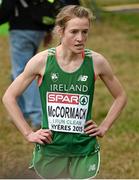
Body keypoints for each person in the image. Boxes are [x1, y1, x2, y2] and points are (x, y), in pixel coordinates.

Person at [2, 5, 127, 179]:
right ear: (60, 31)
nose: (80, 38)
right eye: (74, 32)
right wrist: (28, 133)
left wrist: (104, 126)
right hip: (51, 148)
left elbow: (121, 96)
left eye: (85, 32)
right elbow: (9, 97)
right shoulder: (42, 61)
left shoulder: (96, 62)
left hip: (84, 149)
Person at [0, 0, 80, 129]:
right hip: (38, 30)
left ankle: (37, 117)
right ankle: (21, 114)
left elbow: (6, 9)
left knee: (24, 73)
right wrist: (47, 30)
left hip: (20, 30)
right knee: (22, 71)